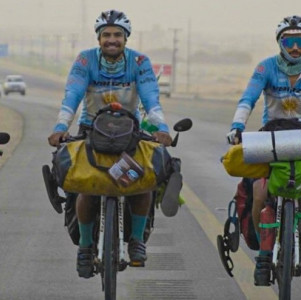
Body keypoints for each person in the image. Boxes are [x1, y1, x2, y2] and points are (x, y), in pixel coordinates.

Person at [225, 15, 301, 286]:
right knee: (259, 191)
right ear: (280, 42)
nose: (295, 47)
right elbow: (248, 97)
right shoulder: (265, 67)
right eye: (289, 41)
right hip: (272, 136)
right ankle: (263, 253)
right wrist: (237, 125)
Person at [47, 9, 173, 278]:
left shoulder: (139, 61)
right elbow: (73, 95)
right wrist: (60, 128)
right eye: (106, 35)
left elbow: (151, 99)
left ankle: (137, 240)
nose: (112, 40)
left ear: (126, 38)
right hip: (91, 131)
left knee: (142, 181)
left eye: (117, 35)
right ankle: (84, 247)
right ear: (98, 38)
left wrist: (161, 128)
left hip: (129, 134)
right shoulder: (85, 60)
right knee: (87, 187)